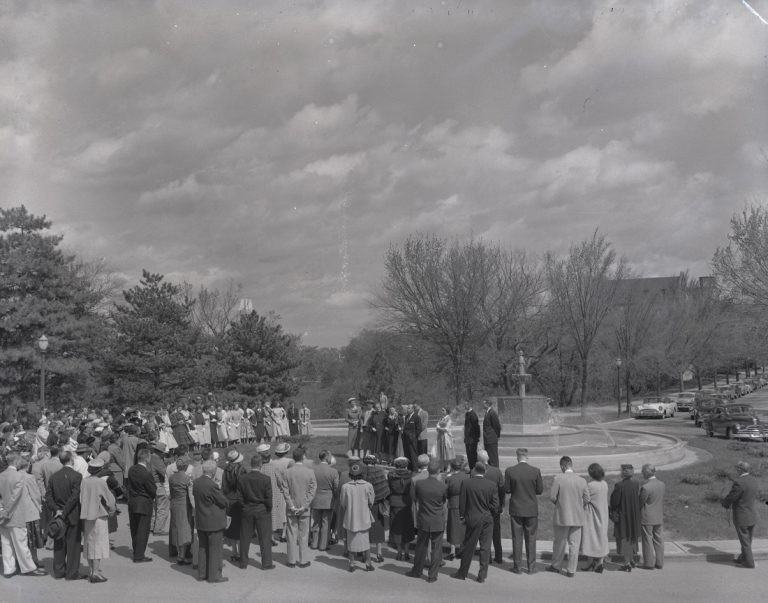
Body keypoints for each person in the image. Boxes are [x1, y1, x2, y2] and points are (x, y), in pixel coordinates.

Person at [0, 453, 46, 577]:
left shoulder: (1, 475)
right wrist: (7, 511)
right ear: (15, 462)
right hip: (16, 515)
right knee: (21, 543)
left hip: (3, 515)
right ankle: (28, 567)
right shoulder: (19, 476)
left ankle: (9, 569)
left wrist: (2, 511)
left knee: (6, 544)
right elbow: (15, 497)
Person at [451, 462, 498, 583]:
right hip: (487, 519)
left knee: (468, 547)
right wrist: (490, 513)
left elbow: (463, 502)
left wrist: (462, 516)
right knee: (485, 547)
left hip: (472, 518)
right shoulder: (491, 485)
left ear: (475, 470)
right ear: (485, 472)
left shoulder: (467, 483)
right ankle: (482, 575)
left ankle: (462, 573)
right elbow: (495, 505)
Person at [45, 450, 85, 579]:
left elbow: (48, 496)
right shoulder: (77, 476)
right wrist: (64, 511)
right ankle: (72, 572)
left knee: (59, 544)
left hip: (58, 515)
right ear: (71, 460)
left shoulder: (54, 476)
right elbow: (74, 497)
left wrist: (57, 510)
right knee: (73, 545)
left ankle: (59, 571)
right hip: (72, 514)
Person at [406, 459, 447, 583]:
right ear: (438, 471)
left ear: (428, 470)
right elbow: (444, 501)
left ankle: (417, 571)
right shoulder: (442, 486)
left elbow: (414, 498)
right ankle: (432, 575)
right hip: (437, 520)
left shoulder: (420, 484)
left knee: (421, 547)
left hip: (424, 519)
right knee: (436, 549)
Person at [548, 456, 589, 578]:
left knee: (559, 543)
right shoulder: (582, 480)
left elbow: (552, 497)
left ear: (563, 466)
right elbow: (587, 498)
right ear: (571, 465)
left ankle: (556, 566)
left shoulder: (558, 479)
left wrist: (560, 504)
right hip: (577, 517)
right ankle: (571, 570)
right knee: (574, 545)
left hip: (562, 516)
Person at [504, 447, 543, 574]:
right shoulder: (535, 471)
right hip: (531, 509)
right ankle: (531, 568)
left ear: (517, 456)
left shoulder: (510, 471)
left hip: (516, 509)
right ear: (527, 456)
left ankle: (517, 567)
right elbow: (539, 490)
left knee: (517, 538)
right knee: (531, 538)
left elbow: (507, 490)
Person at [79, 457, 116, 583]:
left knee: (89, 543)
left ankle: (91, 570)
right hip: (99, 515)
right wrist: (112, 510)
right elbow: (110, 499)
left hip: (86, 515)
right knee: (98, 544)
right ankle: (95, 572)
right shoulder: (100, 482)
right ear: (100, 469)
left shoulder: (84, 481)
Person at [193, 459, 229, 583]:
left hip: (201, 520)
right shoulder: (212, 485)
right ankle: (214, 576)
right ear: (213, 471)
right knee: (215, 549)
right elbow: (223, 501)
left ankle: (202, 574)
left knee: (203, 548)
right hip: (213, 521)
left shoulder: (196, 482)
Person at [237, 454, 274, 570]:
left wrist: (244, 507)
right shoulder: (266, 479)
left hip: (247, 509)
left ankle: (243, 562)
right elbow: (269, 498)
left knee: (244, 537)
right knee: (265, 538)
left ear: (251, 464)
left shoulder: (242, 478)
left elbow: (240, 497)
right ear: (260, 465)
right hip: (262, 510)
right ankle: (266, 563)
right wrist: (268, 508)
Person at [282, 448, 317, 568]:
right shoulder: (309, 472)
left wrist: (291, 505)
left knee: (291, 534)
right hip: (304, 509)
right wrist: (304, 505)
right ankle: (303, 561)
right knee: (304, 535)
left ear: (293, 457)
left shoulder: (287, 472)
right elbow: (312, 490)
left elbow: (285, 491)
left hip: (291, 508)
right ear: (303, 457)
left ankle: (291, 561)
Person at [339, 461, 375, 572]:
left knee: (351, 541)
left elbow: (343, 503)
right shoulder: (368, 486)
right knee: (365, 541)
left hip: (351, 518)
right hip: (364, 518)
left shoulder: (345, 487)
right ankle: (368, 563)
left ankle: (352, 563)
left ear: (350, 474)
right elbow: (371, 501)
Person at [721, 460, 758, 569]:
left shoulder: (739, 482)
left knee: (745, 541)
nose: (736, 470)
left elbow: (732, 497)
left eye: (737, 468)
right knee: (748, 540)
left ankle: (749, 563)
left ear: (740, 469)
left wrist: (724, 503)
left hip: (742, 516)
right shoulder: (753, 480)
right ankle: (743, 558)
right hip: (751, 515)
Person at [126, 448, 157, 563]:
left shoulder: (131, 470)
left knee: (134, 529)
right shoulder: (146, 474)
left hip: (133, 501)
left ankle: (136, 551)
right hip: (144, 503)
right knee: (143, 530)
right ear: (147, 458)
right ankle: (139, 555)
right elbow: (153, 490)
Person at [610, 464, 641, 572]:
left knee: (624, 538)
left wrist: (612, 509)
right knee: (632, 536)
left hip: (623, 515)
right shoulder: (636, 483)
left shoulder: (619, 485)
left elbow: (614, 502)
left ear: (623, 472)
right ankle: (632, 559)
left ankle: (627, 563)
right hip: (634, 514)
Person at [476, 449, 504, 564]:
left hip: (481, 507)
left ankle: (488, 557)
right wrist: (501, 505)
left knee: (484, 535)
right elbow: (502, 489)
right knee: (496, 533)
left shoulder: (475, 472)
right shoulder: (496, 471)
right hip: (494, 506)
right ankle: (499, 556)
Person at [581, 462, 609, 573]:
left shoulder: (590, 485)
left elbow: (586, 499)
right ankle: (600, 562)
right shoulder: (604, 484)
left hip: (592, 515)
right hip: (603, 513)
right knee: (602, 537)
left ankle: (590, 562)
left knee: (591, 537)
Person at [361, 454, 390, 562]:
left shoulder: (362, 471)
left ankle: (365, 554)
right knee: (378, 529)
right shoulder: (379, 471)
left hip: (364, 505)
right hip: (377, 504)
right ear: (374, 462)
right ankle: (379, 553)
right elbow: (385, 489)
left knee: (365, 530)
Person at [257, 444, 288, 545]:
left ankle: (269, 537)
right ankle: (280, 535)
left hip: (262, 495)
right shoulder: (274, 467)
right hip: (275, 494)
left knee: (267, 517)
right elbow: (280, 481)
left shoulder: (259, 468)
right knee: (277, 515)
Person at [168, 457, 195, 566]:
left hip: (174, 504)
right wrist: (195, 507)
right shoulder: (187, 479)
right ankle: (182, 556)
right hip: (184, 505)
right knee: (184, 529)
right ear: (186, 466)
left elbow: (171, 493)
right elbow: (190, 495)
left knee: (176, 529)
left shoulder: (171, 478)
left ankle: (179, 553)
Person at [387, 456, 415, 561]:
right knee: (407, 528)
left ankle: (399, 552)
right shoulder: (410, 475)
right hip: (406, 503)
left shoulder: (390, 475)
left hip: (394, 502)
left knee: (396, 528)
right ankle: (407, 552)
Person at [311, 450, 338, 552]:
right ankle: (323, 545)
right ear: (326, 457)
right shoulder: (333, 471)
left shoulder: (314, 469)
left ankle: (314, 543)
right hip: (328, 499)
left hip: (316, 498)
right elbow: (336, 487)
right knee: (326, 522)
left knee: (316, 522)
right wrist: (335, 498)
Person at [639, 463, 665, 570]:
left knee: (647, 540)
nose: (642, 473)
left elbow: (640, 502)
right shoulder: (662, 484)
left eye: (642, 471)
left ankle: (649, 563)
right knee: (659, 540)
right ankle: (660, 562)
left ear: (646, 472)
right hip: (659, 516)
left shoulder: (645, 487)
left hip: (647, 517)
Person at [222, 448, 246, 563]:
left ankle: (234, 552)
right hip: (239, 501)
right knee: (240, 528)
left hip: (229, 500)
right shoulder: (242, 470)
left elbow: (223, 487)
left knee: (231, 528)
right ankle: (241, 553)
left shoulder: (225, 470)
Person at [445, 456, 469, 561]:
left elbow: (446, 493)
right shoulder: (466, 477)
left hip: (453, 503)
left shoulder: (450, 478)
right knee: (463, 526)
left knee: (453, 527)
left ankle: (452, 551)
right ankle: (463, 549)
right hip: (465, 503)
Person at [149, 441, 169, 536]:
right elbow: (165, 472)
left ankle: (152, 527)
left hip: (151, 484)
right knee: (162, 508)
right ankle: (158, 529)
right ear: (160, 452)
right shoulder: (157, 459)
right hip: (158, 485)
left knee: (154, 507)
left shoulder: (150, 457)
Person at [402, 405, 422, 471]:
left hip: (412, 440)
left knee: (413, 455)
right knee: (407, 455)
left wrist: (413, 436)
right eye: (407, 408)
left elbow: (419, 429)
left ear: (413, 409)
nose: (407, 409)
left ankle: (415, 469)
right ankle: (409, 469)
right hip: (406, 439)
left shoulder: (417, 417)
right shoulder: (407, 417)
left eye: (409, 408)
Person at [481, 399, 501, 468]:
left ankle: (495, 472)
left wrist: (497, 436)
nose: (482, 405)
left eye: (484, 404)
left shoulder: (492, 413)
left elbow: (497, 426)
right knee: (489, 457)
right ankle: (490, 471)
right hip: (487, 439)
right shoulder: (487, 412)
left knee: (493, 458)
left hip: (491, 439)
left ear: (487, 404)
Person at [463, 403, 480, 469]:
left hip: (472, 439)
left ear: (470, 405)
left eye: (466, 404)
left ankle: (475, 469)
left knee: (473, 455)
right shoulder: (467, 414)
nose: (465, 406)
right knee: (469, 455)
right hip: (467, 439)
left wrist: (477, 437)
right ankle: (471, 468)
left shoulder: (473, 414)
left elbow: (476, 427)